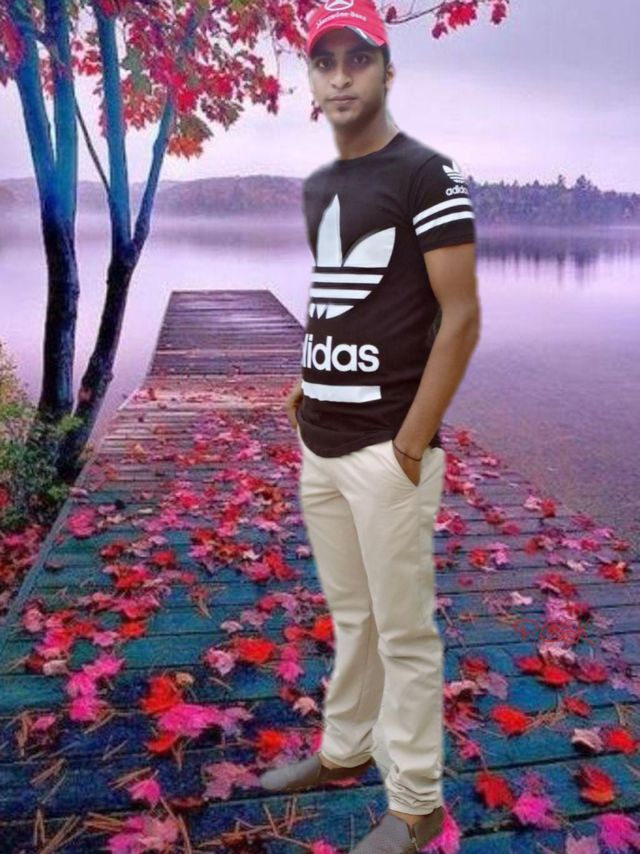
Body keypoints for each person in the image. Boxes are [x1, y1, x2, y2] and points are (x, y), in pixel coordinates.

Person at [260, 1, 480, 851]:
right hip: (319, 439)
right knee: (352, 617)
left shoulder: (428, 173)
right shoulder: (319, 186)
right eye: (325, 62)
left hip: (387, 449)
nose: (342, 76)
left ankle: (417, 804)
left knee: (405, 635)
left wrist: (412, 444)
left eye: (359, 58)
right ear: (311, 81)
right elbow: (344, 297)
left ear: (389, 70)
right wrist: (306, 380)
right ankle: (345, 750)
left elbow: (459, 316)